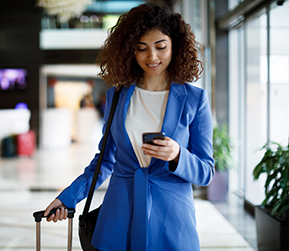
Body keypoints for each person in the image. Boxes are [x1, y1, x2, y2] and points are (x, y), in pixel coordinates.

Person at [44, 3, 214, 251]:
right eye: (141, 48)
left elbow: (206, 172)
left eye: (160, 47)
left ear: (175, 46)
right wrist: (67, 198)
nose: (152, 56)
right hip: (119, 217)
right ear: (130, 51)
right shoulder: (118, 96)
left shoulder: (195, 99)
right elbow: (103, 161)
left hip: (171, 222)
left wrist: (178, 155)